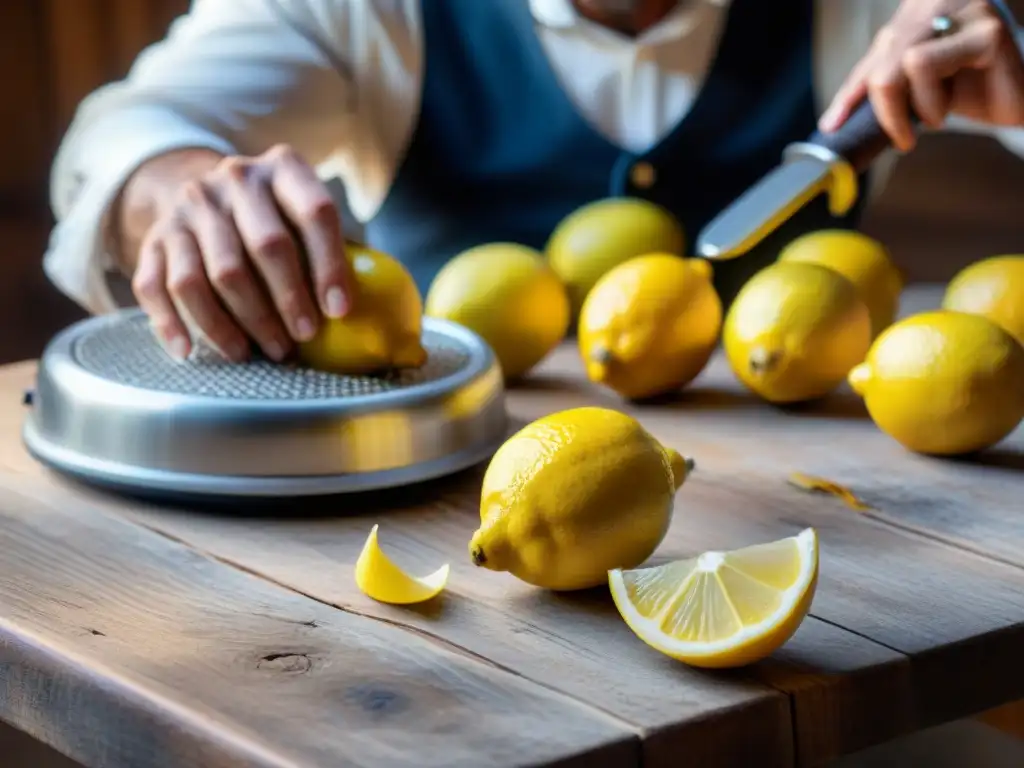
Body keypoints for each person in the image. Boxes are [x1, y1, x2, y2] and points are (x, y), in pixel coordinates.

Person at [46, 0, 1024, 363]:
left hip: (822, 543)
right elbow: (123, 132)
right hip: (427, 535)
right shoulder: (363, 9)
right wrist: (171, 188)